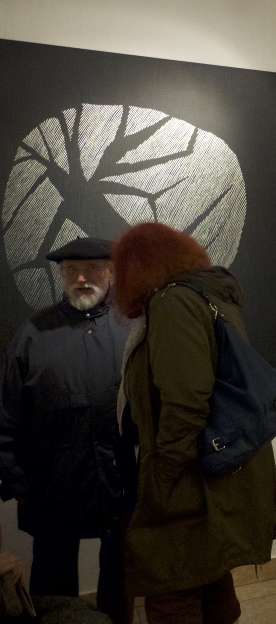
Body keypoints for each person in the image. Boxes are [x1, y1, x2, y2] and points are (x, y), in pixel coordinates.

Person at [113, 223, 276, 624]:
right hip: (206, 470)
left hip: (187, 474)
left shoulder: (173, 302)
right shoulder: (205, 296)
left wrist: (162, 476)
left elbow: (186, 400)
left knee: (171, 589)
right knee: (208, 573)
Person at [0, 237, 130, 624]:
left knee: (120, 580)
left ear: (110, 272)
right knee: (53, 588)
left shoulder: (131, 326)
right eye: (71, 270)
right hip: (52, 486)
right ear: (61, 275)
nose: (81, 278)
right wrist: (18, 482)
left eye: (91, 269)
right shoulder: (33, 333)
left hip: (121, 483)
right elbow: (7, 417)